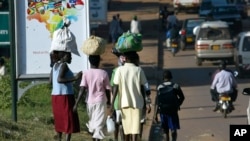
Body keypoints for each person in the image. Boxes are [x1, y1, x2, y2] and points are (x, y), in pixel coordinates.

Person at [110, 51, 150, 141]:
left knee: (126, 129)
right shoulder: (138, 70)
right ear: (135, 59)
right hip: (137, 104)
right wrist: (147, 101)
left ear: (126, 59)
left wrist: (112, 104)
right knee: (135, 130)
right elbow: (144, 86)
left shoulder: (119, 70)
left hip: (124, 104)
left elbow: (115, 87)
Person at [73, 55, 111, 141]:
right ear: (99, 61)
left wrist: (76, 103)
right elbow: (107, 89)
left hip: (90, 102)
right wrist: (109, 101)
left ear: (89, 62)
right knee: (98, 126)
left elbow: (82, 89)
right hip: (101, 102)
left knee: (94, 125)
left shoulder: (86, 73)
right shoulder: (103, 73)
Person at [49, 51, 82, 141]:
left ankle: (59, 138)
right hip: (65, 96)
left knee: (59, 119)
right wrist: (75, 78)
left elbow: (50, 81)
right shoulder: (64, 65)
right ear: (63, 56)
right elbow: (60, 79)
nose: (71, 58)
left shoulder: (55, 66)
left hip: (55, 96)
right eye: (69, 56)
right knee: (68, 119)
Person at [154, 70, 185, 141]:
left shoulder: (159, 87)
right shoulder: (175, 86)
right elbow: (182, 97)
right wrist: (177, 105)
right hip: (173, 111)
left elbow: (158, 101)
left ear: (163, 78)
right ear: (171, 77)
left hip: (163, 111)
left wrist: (155, 115)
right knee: (173, 129)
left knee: (165, 131)